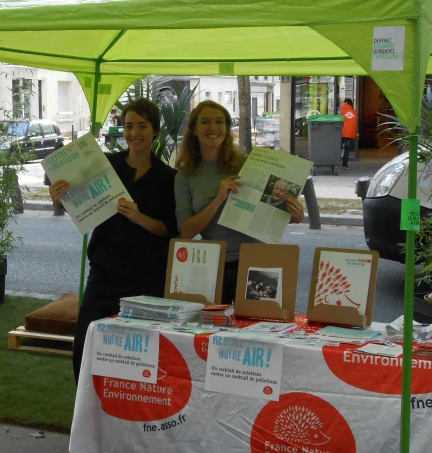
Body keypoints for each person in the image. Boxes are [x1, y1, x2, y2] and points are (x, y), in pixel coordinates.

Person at [49, 98, 178, 384]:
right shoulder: (105, 165)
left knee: (135, 360)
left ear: (155, 130)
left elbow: (169, 231)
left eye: (142, 126)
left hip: (146, 281)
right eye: (129, 125)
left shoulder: (168, 178)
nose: (135, 133)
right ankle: (87, 416)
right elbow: (81, 209)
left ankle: (127, 422)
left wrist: (139, 217)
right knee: (85, 350)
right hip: (104, 275)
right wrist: (61, 200)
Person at [174, 101, 304, 305]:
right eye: (205, 122)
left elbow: (270, 214)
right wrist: (218, 199)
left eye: (219, 122)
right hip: (214, 266)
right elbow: (187, 230)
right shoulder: (185, 176)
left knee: (257, 325)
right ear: (194, 130)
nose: (213, 128)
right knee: (214, 329)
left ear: (226, 128)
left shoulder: (247, 164)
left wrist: (294, 216)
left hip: (257, 260)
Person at [340, 98, 357, 170]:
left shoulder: (341, 110)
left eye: (343, 103)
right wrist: (356, 133)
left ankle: (335, 163)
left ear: (346, 103)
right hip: (350, 133)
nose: (343, 104)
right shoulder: (355, 112)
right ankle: (345, 164)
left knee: (338, 148)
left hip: (341, 132)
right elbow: (355, 123)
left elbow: (338, 119)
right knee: (346, 149)